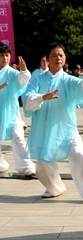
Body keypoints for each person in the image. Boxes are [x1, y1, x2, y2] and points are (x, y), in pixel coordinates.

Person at [23, 43, 83, 203]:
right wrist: (42, 97)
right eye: (54, 55)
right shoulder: (37, 79)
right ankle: (55, 187)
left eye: (61, 55)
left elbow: (81, 90)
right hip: (44, 130)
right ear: (48, 59)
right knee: (42, 165)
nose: (58, 58)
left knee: (79, 155)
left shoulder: (69, 80)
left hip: (66, 129)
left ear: (65, 58)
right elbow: (27, 98)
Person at [0, 45, 35, 176]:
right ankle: (1, 164)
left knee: (18, 137)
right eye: (2, 55)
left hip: (12, 112)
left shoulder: (12, 72)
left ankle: (27, 167)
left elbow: (23, 79)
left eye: (7, 55)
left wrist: (24, 70)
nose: (5, 58)